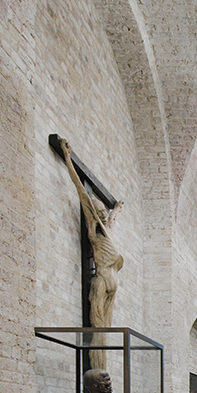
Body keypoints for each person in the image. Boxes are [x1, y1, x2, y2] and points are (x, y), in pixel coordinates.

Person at [60, 137, 124, 369]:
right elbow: (81, 191)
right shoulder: (95, 233)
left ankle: (102, 377)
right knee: (98, 334)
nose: (104, 216)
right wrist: (68, 158)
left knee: (105, 334)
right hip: (101, 284)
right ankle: (98, 376)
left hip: (111, 285)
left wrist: (115, 208)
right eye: (101, 213)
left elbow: (113, 220)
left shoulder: (107, 230)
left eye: (104, 214)